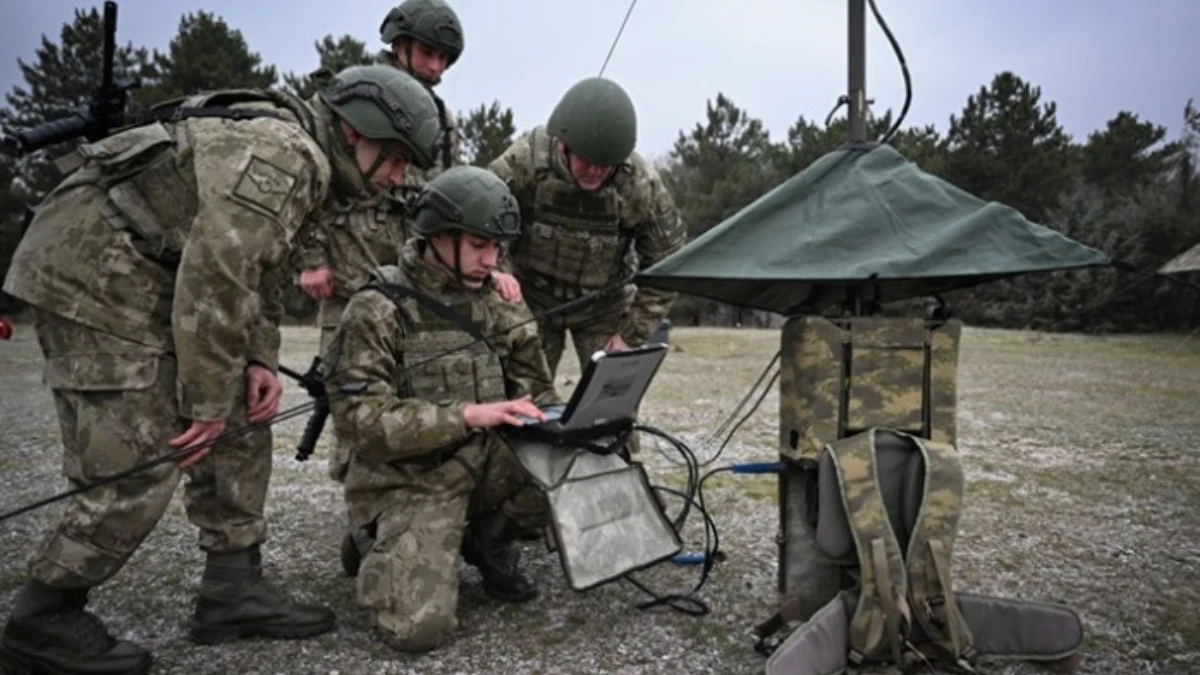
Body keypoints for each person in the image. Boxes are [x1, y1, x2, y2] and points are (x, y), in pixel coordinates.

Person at [0, 64, 442, 675]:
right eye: (393, 159)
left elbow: (257, 272)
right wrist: (204, 400)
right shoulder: (288, 155)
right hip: (96, 273)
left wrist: (256, 360)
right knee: (139, 455)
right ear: (353, 133)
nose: (396, 177)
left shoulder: (309, 160)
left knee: (243, 415)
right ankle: (42, 616)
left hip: (156, 275)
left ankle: (232, 587)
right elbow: (217, 274)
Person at [322, 165, 557, 652]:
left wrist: (569, 424)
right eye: (478, 246)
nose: (490, 260)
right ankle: (371, 536)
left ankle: (487, 544)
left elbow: (538, 393)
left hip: (481, 463)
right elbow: (361, 423)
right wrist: (467, 416)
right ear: (436, 236)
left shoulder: (501, 300)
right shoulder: (378, 307)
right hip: (410, 479)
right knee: (416, 632)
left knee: (560, 467)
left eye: (497, 247)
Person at [296, 0, 475, 353]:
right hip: (350, 278)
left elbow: (448, 196)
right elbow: (308, 181)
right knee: (344, 387)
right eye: (427, 52)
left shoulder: (440, 121)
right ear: (398, 45)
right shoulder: (353, 96)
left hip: (411, 283)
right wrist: (310, 260)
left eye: (444, 59)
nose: (435, 67)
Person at [488, 76, 686, 382]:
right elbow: (480, 215)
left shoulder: (640, 184)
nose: (596, 171)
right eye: (588, 161)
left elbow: (669, 261)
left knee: (611, 402)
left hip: (603, 307)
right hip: (530, 300)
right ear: (563, 144)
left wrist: (630, 335)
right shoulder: (526, 161)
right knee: (523, 396)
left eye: (606, 165)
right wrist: (497, 271)